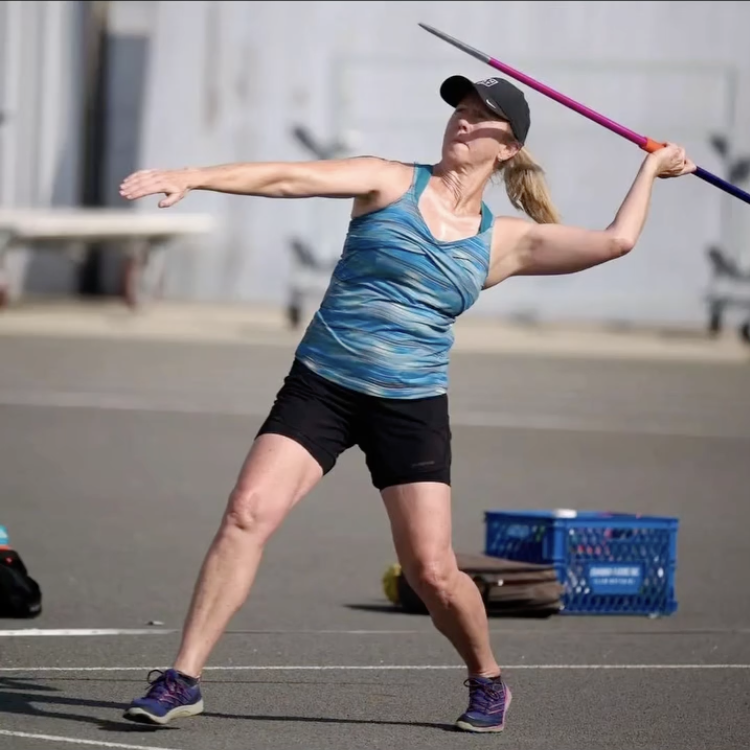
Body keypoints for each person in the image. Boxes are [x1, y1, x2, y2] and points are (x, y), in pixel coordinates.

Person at [118, 74, 695, 732]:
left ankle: (488, 678)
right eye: (462, 112)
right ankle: (183, 676)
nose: (464, 124)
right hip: (322, 387)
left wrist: (651, 167)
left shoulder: (504, 239)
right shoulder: (389, 181)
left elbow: (617, 240)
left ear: (507, 149)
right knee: (246, 515)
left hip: (410, 407)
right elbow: (288, 178)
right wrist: (193, 175)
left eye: (482, 120)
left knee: (431, 569)